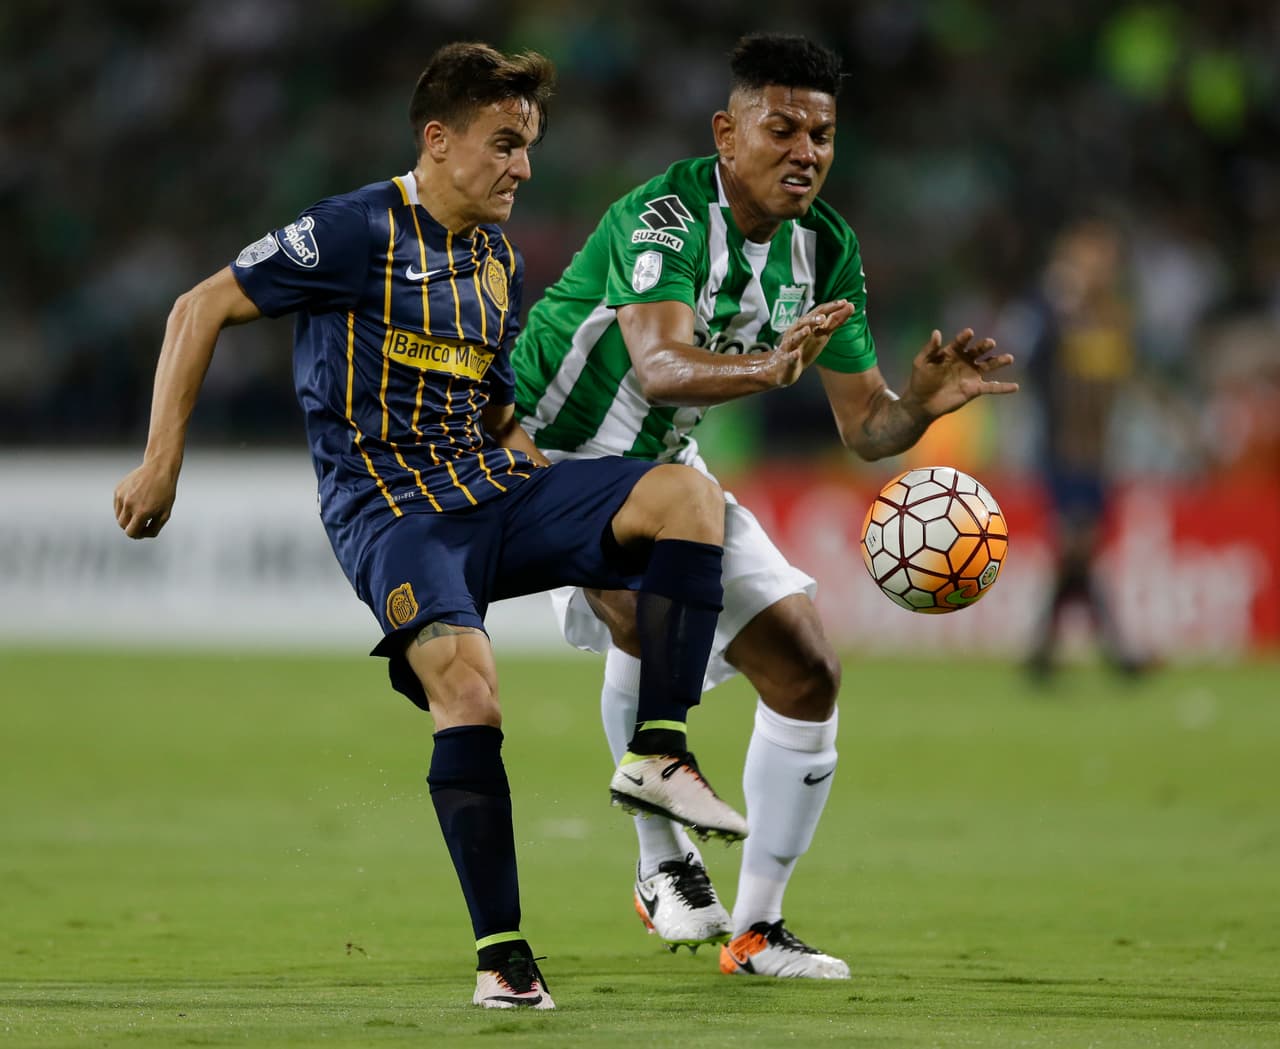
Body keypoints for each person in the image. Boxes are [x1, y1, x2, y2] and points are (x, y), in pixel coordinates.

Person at [108, 42, 847, 1010]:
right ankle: (502, 955)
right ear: (438, 140)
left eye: (529, 145)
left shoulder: (495, 262)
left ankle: (658, 750)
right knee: (471, 687)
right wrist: (161, 458)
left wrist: (554, 489)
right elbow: (197, 306)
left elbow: (494, 401)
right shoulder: (351, 230)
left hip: (493, 487)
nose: (522, 167)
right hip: (395, 517)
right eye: (504, 144)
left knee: (683, 497)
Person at [512, 33, 1018, 979]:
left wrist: (920, 409)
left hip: (668, 472)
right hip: (547, 456)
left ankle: (757, 931)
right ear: (726, 132)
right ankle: (661, 860)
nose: (806, 152)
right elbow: (661, 366)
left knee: (809, 670)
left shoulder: (825, 246)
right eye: (782, 128)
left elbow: (864, 425)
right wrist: (769, 362)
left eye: (822, 134)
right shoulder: (662, 215)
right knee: (645, 609)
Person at [1019, 216, 1152, 679]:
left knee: (1080, 554)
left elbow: (1124, 381)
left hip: (1099, 456)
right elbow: (1031, 364)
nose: (1101, 267)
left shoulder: (1115, 319)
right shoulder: (1056, 316)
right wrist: (1057, 303)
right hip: (1061, 452)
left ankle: (1043, 650)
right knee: (1078, 546)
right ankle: (1116, 651)